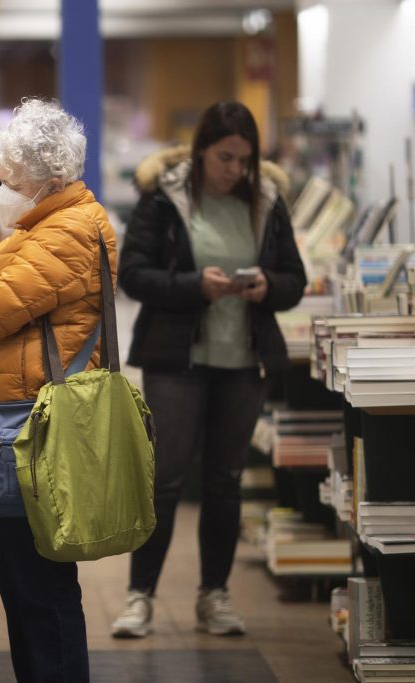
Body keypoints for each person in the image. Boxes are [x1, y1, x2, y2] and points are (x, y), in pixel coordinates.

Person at [112, 101, 306, 638]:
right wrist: (194, 287)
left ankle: (213, 596)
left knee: (225, 481)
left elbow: (295, 278)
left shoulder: (267, 201)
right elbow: (133, 274)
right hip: (177, 359)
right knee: (166, 480)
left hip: (243, 361)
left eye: (245, 160)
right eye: (225, 157)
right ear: (200, 152)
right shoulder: (165, 198)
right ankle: (140, 597)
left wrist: (269, 286)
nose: (235, 170)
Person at [0, 98, 117, 683]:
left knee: (40, 589)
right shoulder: (37, 226)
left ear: (46, 178)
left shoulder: (65, 232)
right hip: (18, 421)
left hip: (36, 426)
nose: (2, 192)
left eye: (10, 181)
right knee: (21, 584)